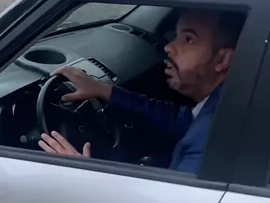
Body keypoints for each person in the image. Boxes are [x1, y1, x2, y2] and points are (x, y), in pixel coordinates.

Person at [39, 9, 244, 174]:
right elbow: (180, 119)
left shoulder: (211, 144)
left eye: (188, 39)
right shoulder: (223, 103)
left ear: (222, 60)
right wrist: (105, 90)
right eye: (176, 36)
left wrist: (85, 175)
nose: (169, 47)